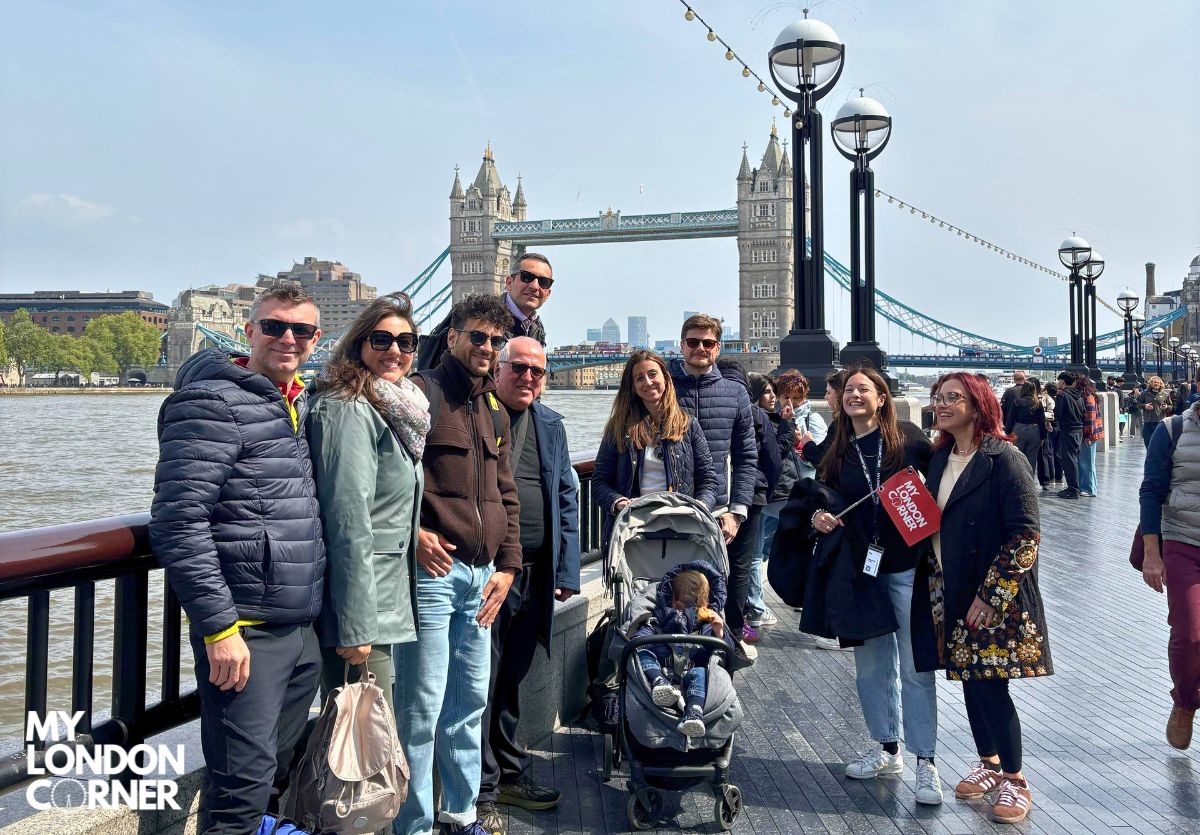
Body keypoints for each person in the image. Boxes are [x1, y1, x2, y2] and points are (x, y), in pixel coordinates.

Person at [149, 283, 325, 834]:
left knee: (273, 778)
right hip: (246, 634)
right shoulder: (212, 402)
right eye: (273, 326)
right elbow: (178, 520)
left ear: (316, 339)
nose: (287, 338)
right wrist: (219, 627)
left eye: (300, 330)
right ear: (249, 331)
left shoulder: (294, 403)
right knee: (238, 796)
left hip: (298, 628)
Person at [395, 293, 523, 835]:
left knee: (470, 703)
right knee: (421, 709)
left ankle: (462, 814)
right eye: (478, 337)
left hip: (481, 577)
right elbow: (386, 481)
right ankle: (416, 825)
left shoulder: (494, 407)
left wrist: (509, 566)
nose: (487, 348)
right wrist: (412, 533)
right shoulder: (419, 395)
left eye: (495, 341)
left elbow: (506, 493)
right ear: (452, 338)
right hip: (433, 575)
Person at [918, 372, 1051, 824]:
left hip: (996, 597)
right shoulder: (940, 459)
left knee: (992, 686)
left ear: (978, 405)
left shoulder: (1004, 459)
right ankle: (990, 764)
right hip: (951, 589)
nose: (942, 404)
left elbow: (1026, 536)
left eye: (953, 397)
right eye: (939, 397)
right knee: (971, 683)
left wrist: (992, 595)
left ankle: (1015, 780)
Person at [808, 366, 941, 806]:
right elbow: (820, 494)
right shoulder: (837, 445)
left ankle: (926, 761)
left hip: (905, 567)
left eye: (864, 389)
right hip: (861, 571)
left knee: (914, 668)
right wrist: (818, 517)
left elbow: (943, 478)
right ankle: (886, 748)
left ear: (882, 397)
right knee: (871, 667)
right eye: (849, 390)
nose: (855, 396)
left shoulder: (907, 438)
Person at [477, 337, 581, 834]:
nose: (528, 378)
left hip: (538, 574)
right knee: (482, 682)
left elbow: (565, 494)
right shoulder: (478, 413)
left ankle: (508, 774)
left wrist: (566, 572)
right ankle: (482, 790)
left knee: (512, 679)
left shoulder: (551, 424)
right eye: (518, 368)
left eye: (538, 372)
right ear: (498, 370)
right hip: (491, 575)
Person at [308, 295, 427, 711]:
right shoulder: (348, 407)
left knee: (369, 740)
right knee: (362, 745)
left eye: (407, 342)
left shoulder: (395, 406)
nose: (395, 350)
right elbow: (347, 518)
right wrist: (355, 625)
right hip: (359, 610)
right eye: (382, 339)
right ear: (358, 344)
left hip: (383, 599)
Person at [669, 314, 759, 663]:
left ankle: (719, 667)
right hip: (673, 509)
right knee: (675, 592)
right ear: (682, 345)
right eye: (693, 342)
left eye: (708, 343)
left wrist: (737, 512)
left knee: (722, 594)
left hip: (719, 513)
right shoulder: (664, 387)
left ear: (718, 348)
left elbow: (746, 458)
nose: (700, 349)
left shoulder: (735, 393)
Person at [593, 349, 717, 548]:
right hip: (634, 532)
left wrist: (700, 507)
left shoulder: (688, 425)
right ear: (633, 387)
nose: (648, 382)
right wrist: (618, 503)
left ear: (665, 378)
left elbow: (708, 480)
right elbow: (599, 482)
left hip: (682, 530)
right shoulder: (619, 428)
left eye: (652, 374)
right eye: (639, 378)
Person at [1139, 398, 1200, 750]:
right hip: (1182, 541)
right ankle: (1186, 702)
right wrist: (1152, 553)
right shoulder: (1172, 429)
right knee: (1190, 634)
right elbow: (1152, 490)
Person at [717, 358, 780, 644]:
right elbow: (773, 460)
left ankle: (708, 621)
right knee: (741, 564)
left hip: (715, 495)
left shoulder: (713, 406)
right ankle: (735, 626)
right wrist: (765, 489)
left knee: (711, 560)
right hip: (751, 496)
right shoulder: (757, 415)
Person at [415, 252, 553, 371]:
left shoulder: (537, 328)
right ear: (509, 282)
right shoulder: (474, 314)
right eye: (526, 277)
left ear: (548, 293)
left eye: (544, 282)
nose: (535, 286)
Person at [634, 567, 727, 738]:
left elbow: (720, 655)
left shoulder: (706, 628)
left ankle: (694, 712)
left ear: (704, 606)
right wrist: (640, 637)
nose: (682, 611)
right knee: (641, 654)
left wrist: (719, 634)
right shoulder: (658, 620)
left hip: (691, 676)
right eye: (681, 605)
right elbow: (640, 638)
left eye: (693, 606)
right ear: (671, 601)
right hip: (661, 673)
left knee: (702, 672)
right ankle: (659, 682)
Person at [1003, 380, 1044, 483]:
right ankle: (1029, 481)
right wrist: (1043, 436)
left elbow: (1011, 418)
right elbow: (1042, 421)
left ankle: (1019, 480)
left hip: (1019, 430)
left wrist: (1008, 431)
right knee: (1032, 459)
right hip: (1035, 431)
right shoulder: (1038, 403)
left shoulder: (1018, 401)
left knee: (1018, 456)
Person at [1052, 372, 1084, 499]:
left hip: (1068, 430)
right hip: (1079, 431)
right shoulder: (1079, 396)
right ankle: (1074, 486)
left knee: (1068, 460)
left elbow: (1058, 414)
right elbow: (1084, 412)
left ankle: (1073, 489)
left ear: (1063, 382)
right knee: (1074, 459)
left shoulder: (1062, 395)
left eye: (1059, 381)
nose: (1058, 383)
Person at [1076, 376, 1103, 497]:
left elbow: (1090, 418)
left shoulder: (1088, 398)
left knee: (1087, 462)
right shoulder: (1089, 396)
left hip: (1089, 435)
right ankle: (1085, 487)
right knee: (1085, 462)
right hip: (1091, 434)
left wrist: (1087, 435)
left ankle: (1089, 489)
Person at [1140, 376, 1172, 449]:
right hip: (1148, 422)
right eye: (1154, 382)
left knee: (1160, 443)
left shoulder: (1165, 394)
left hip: (1160, 422)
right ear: (1151, 383)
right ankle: (1149, 457)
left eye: (1158, 383)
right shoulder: (1144, 394)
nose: (1156, 384)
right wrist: (1145, 406)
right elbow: (1138, 404)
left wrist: (1166, 407)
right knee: (1148, 442)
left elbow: (1171, 406)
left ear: (1161, 384)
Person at [1043, 382, 1064, 486]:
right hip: (1059, 427)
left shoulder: (1047, 399)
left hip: (1050, 426)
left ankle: (1051, 477)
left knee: (1049, 452)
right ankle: (1059, 477)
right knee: (1058, 453)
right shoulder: (1060, 398)